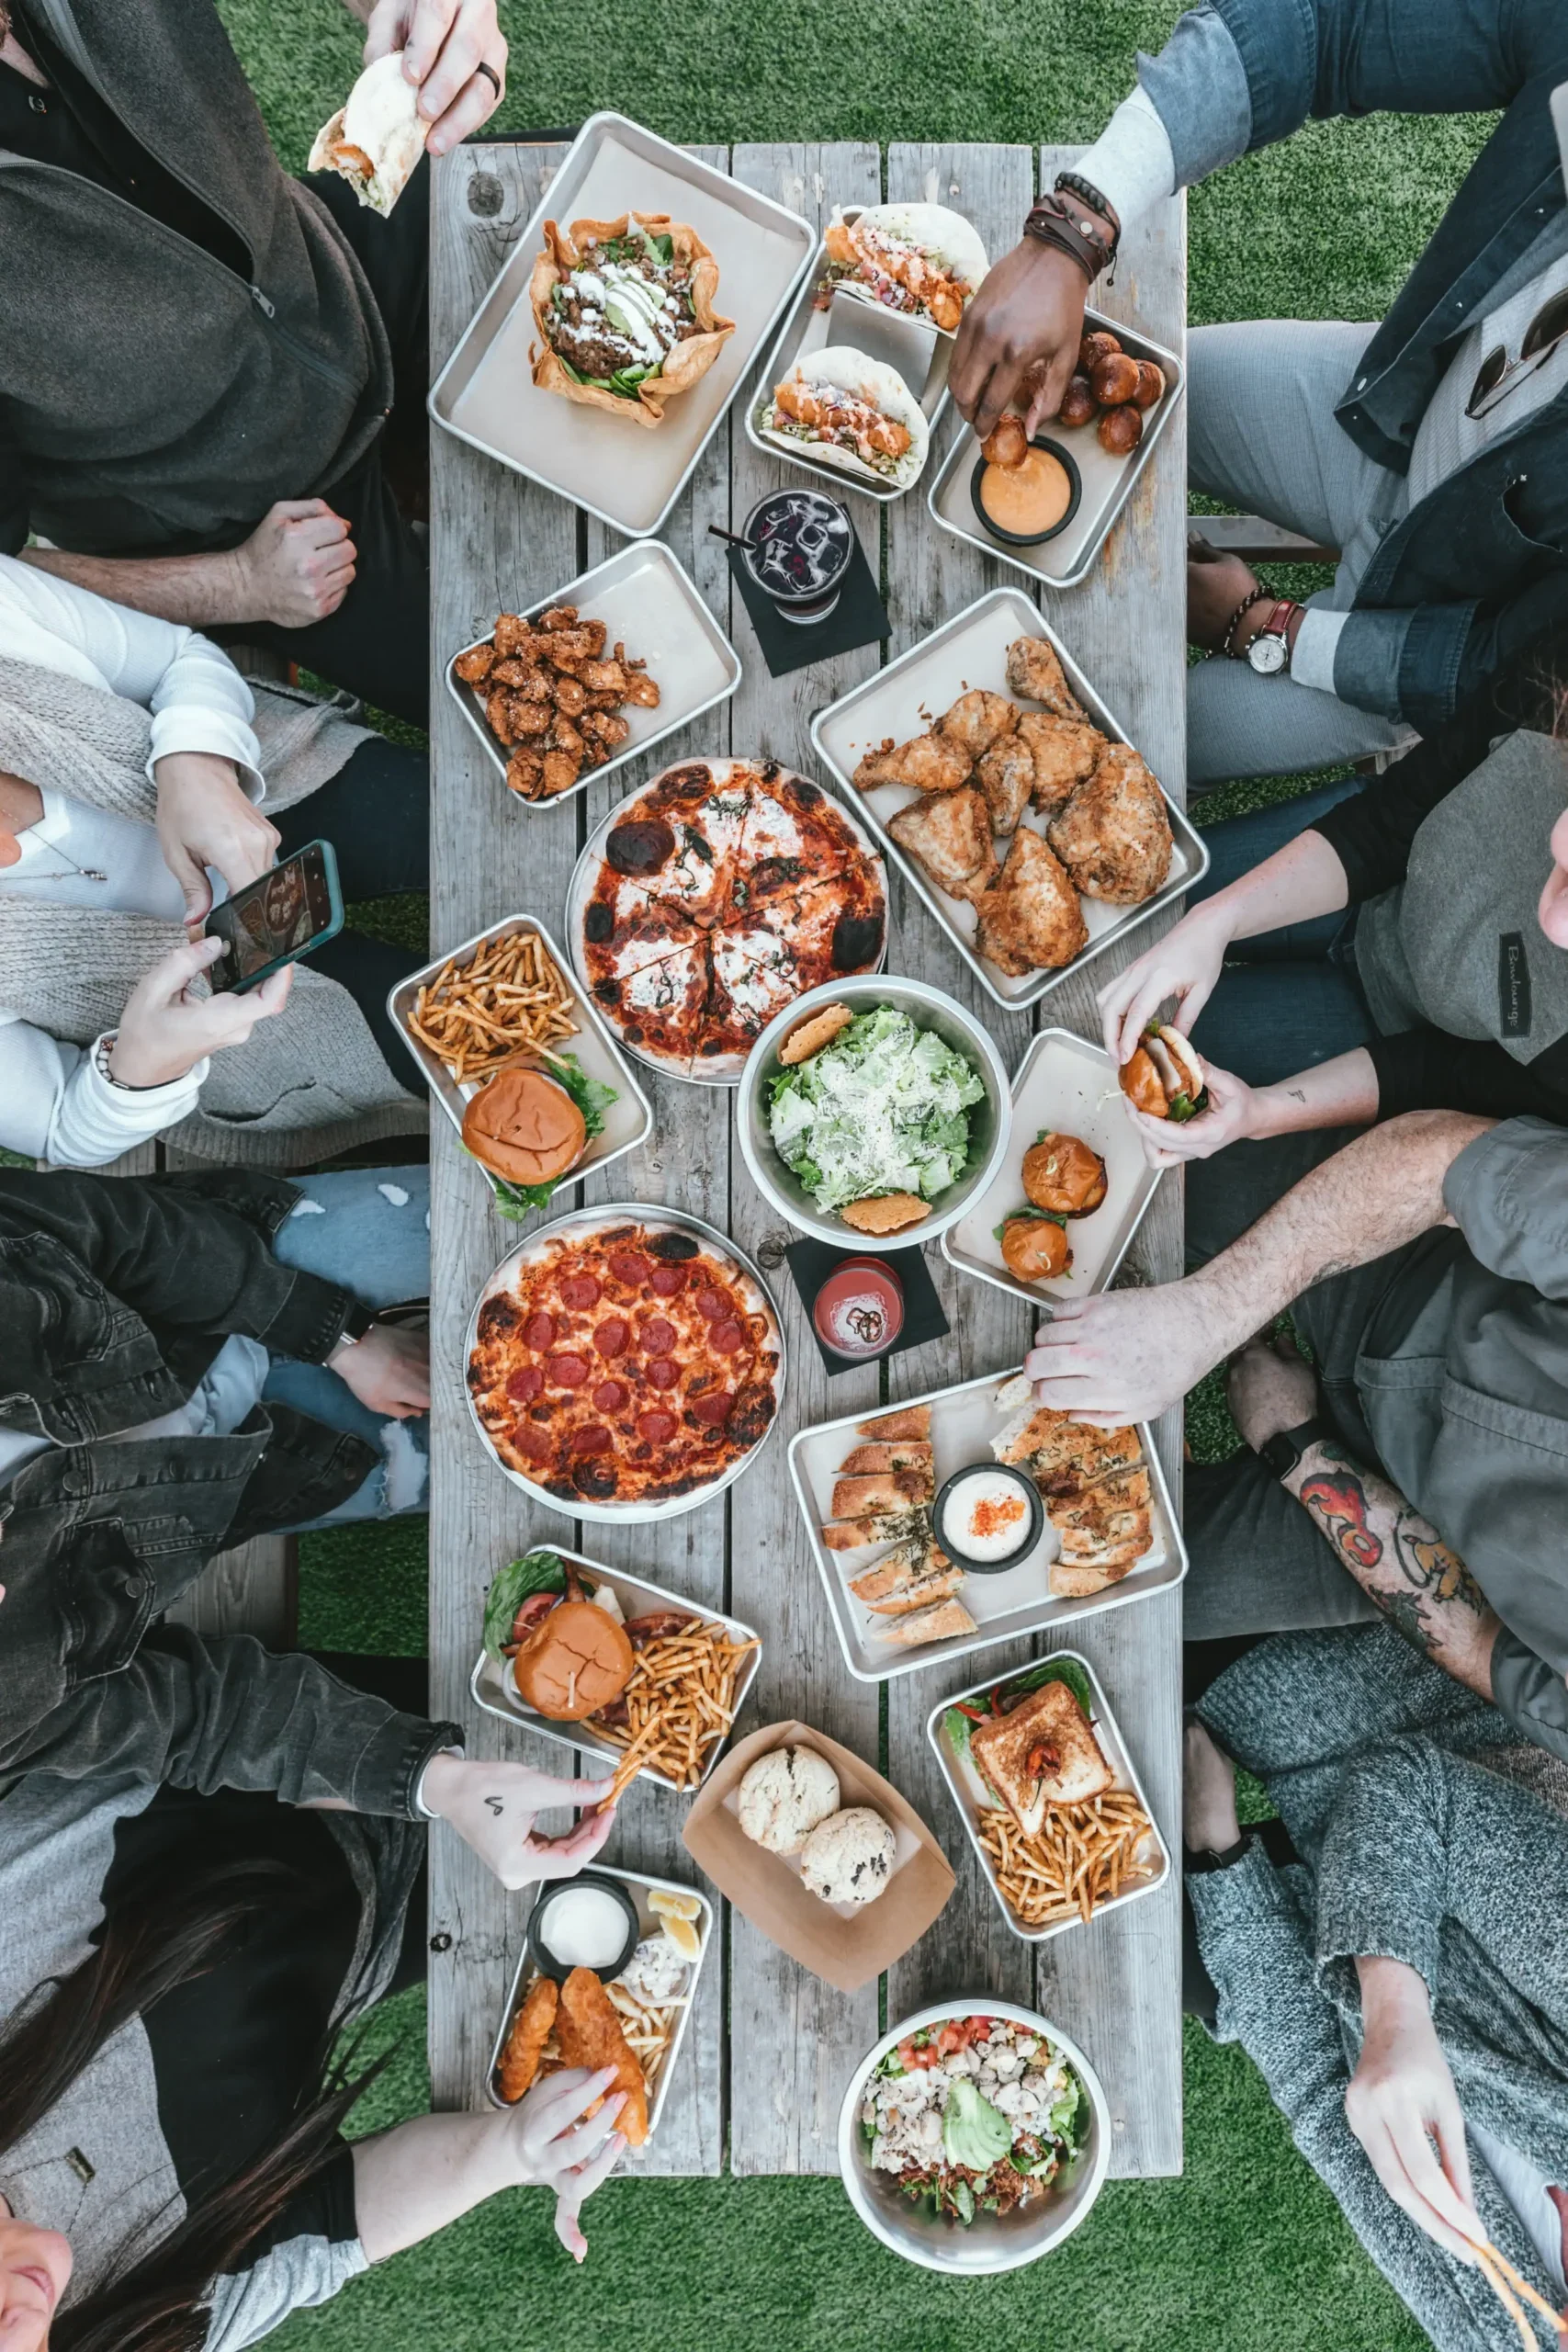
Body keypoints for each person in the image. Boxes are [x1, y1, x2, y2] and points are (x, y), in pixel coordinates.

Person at [950, 0, 1568, 789]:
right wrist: (1068, 237)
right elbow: (1319, 26)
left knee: (1095, 760)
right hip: (1387, 415)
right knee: (1142, 392)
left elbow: (1494, 666)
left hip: (1432, 628)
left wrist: (1260, 625)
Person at [0, 1674, 626, 2352]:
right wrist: (509, 2151)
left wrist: (426, 1781)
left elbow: (173, 1719)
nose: (21, 2332)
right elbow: (335, 2224)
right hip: (391, 1919)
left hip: (304, 1731)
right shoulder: (138, 2335)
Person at [0, 0, 510, 726]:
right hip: (237, 520)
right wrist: (235, 584)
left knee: (631, 233)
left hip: (328, 267)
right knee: (530, 699)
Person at [1021, 1107, 1568, 1758]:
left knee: (1078, 1592)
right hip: (1400, 1263)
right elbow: (1444, 1160)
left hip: (1415, 1528)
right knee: (1108, 1185)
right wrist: (1210, 1313)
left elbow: (1488, 1651)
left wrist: (1296, 1446)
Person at [1182, 1623, 1568, 2350]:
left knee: (1123, 1941)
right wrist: (1395, 2016)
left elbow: (1318, 2094)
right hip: (1380, 1686)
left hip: (1317, 1863)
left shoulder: (1500, 2338)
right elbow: (1416, 1791)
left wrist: (1215, 1844)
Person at [0, 553, 430, 1168]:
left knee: (479, 827)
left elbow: (177, 659)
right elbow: (61, 1128)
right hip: (232, 1020)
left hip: (273, 785)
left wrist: (194, 763)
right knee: (489, 1030)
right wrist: (137, 1068)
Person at [1098, 630, 1568, 1161]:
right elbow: (1387, 824)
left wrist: (1263, 1112)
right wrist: (1216, 920)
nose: (1557, 928)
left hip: (1388, 1031)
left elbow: (1443, 1075)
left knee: (1104, 1081)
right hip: (1368, 871)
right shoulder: (1559, 670)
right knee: (1115, 908)